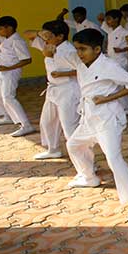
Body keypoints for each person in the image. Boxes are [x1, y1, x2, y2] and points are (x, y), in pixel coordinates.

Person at [64, 28, 128, 220]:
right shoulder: (81, 63)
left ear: (97, 49)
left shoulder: (108, 66)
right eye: (77, 49)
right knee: (73, 145)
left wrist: (108, 97)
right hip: (89, 116)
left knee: (114, 159)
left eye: (83, 49)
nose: (79, 53)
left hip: (107, 118)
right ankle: (89, 177)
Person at [23, 21, 80, 159]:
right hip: (53, 90)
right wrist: (39, 33)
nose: (45, 38)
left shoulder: (69, 51)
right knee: (47, 121)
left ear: (60, 36)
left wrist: (63, 73)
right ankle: (53, 149)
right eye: (44, 35)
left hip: (68, 90)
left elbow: (83, 69)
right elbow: (27, 34)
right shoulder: (49, 45)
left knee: (69, 125)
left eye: (49, 35)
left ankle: (83, 159)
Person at [0, 16, 35, 137]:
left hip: (10, 72)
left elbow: (27, 60)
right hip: (0, 70)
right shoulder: (7, 38)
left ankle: (26, 125)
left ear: (9, 28)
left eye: (0, 28)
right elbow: (8, 49)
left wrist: (8, 68)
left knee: (8, 97)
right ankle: (7, 116)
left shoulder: (17, 41)